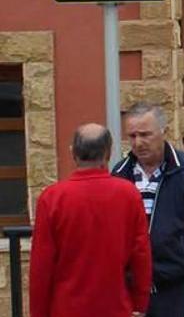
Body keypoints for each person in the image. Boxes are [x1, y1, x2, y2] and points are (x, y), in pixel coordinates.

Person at [29, 124, 152, 317]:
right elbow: (141, 255)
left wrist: (38, 312)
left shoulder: (52, 198)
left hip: (66, 309)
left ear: (73, 153)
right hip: (116, 307)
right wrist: (139, 303)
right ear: (108, 153)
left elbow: (41, 267)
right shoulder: (128, 194)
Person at [112, 103, 184, 317]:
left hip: (177, 287)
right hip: (131, 288)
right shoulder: (119, 175)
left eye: (145, 135)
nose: (138, 143)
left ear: (163, 132)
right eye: (132, 136)